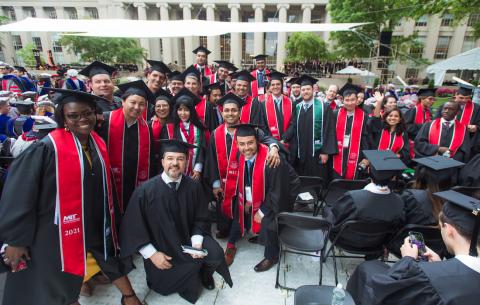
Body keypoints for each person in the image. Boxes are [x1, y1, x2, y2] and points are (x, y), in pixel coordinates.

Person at [0, 89, 141, 305]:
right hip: (53, 229)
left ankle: (128, 297)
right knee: (54, 283)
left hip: (92, 222)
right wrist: (16, 240)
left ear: (95, 114)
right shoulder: (47, 148)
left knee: (102, 260)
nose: (82, 119)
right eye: (73, 115)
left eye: (87, 113)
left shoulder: (96, 143)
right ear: (63, 119)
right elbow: (19, 194)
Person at [120, 139, 233, 304]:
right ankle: (188, 274)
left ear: (186, 162)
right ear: (162, 161)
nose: (175, 163)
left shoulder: (194, 187)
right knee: (164, 287)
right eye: (170, 158)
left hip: (188, 240)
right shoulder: (145, 192)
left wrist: (196, 243)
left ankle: (204, 274)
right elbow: (133, 228)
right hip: (162, 246)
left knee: (215, 254)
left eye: (180, 159)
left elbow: (202, 217)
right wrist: (152, 254)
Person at [347, 189, 480, 305]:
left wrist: (407, 260)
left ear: (449, 230)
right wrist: (441, 264)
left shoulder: (427, 280)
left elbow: (382, 294)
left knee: (367, 269)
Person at [204, 93, 282, 240]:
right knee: (225, 214)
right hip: (225, 183)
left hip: (246, 180)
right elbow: (212, 160)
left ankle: (248, 228)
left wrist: (273, 147)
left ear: (240, 112)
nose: (230, 113)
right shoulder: (216, 134)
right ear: (222, 112)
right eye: (227, 110)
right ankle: (227, 229)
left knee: (245, 210)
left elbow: (268, 138)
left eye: (234, 110)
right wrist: (215, 184)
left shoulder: (249, 129)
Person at [225, 124, 297, 271]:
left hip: (285, 190)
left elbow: (276, 191)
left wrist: (262, 211)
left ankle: (272, 256)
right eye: (242, 144)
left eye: (250, 143)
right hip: (266, 190)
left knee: (270, 219)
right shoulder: (240, 155)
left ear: (257, 141)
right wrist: (248, 200)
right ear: (237, 144)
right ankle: (249, 238)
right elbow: (248, 179)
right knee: (243, 208)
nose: (246, 148)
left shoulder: (273, 160)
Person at [324, 150, 406, 250]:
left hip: (345, 241)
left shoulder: (354, 198)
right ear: (393, 177)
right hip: (376, 245)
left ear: (368, 171)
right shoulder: (399, 203)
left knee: (327, 210)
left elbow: (336, 220)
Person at [97, 80, 154, 214]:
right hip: (109, 181)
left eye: (141, 104)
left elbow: (150, 158)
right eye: (132, 102)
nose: (137, 107)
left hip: (134, 181)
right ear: (123, 102)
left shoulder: (146, 127)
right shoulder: (105, 121)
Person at [283, 75, 337, 182]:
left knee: (317, 180)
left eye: (308, 89)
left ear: (313, 90)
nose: (305, 91)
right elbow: (293, 125)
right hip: (301, 151)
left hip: (317, 153)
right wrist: (284, 138)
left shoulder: (324, 107)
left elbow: (329, 130)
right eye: (303, 89)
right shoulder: (297, 107)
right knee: (302, 179)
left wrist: (325, 151)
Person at [162, 88, 207, 179]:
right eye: (180, 109)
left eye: (186, 110)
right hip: (174, 171)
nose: (183, 113)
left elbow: (202, 149)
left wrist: (198, 168)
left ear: (192, 111)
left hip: (195, 173)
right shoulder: (169, 128)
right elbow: (164, 151)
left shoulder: (199, 128)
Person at [332, 88, 370, 180]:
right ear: (342, 100)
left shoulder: (364, 116)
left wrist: (366, 156)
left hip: (356, 153)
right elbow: (330, 134)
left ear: (357, 100)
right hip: (337, 151)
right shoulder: (335, 114)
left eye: (353, 100)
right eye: (347, 100)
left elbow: (366, 137)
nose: (350, 103)